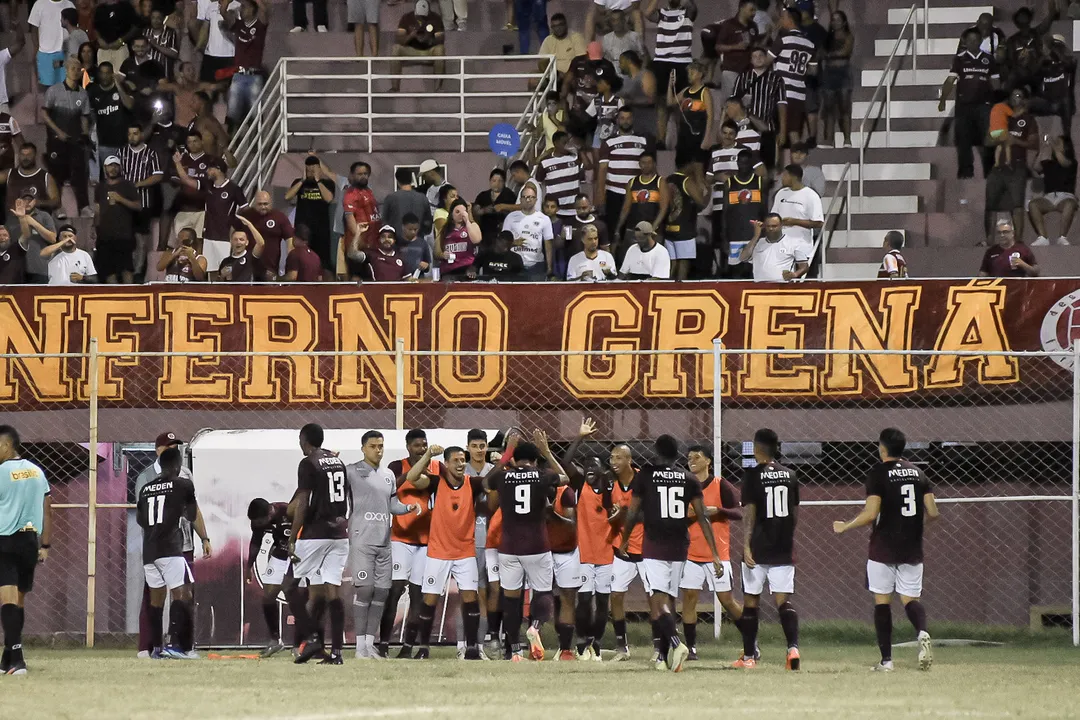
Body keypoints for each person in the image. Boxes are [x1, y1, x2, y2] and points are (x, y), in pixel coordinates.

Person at [833, 428, 939, 672]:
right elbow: (933, 512)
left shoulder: (878, 474)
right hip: (912, 546)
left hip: (883, 546)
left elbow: (870, 514)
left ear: (882, 448)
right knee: (910, 599)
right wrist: (914, 525)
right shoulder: (918, 472)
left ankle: (886, 661)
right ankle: (922, 632)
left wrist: (845, 526)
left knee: (882, 602)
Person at [618, 434, 722, 672]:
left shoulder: (645, 475)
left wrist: (624, 540)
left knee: (657, 600)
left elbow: (633, 513)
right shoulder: (689, 479)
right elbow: (702, 516)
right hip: (679, 545)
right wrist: (714, 553)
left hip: (654, 544)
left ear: (656, 452)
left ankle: (676, 644)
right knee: (670, 600)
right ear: (677, 455)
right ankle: (663, 658)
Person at [484, 439, 568, 660]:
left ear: (515, 457)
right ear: (534, 459)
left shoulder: (503, 476)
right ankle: (535, 627)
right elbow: (565, 478)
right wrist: (548, 453)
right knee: (543, 593)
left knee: (511, 599)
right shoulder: (541, 474)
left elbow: (486, 482)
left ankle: (514, 650)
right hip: (536, 545)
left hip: (508, 547)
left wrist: (505, 455)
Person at [402, 446, 485, 659]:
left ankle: (473, 647)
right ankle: (423, 648)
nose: (460, 464)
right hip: (438, 552)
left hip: (465, 552)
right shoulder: (436, 482)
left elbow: (491, 482)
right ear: (446, 464)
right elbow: (411, 477)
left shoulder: (472, 484)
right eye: (455, 460)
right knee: (429, 599)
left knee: (470, 598)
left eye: (462, 460)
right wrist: (429, 455)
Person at [345, 431, 420, 659]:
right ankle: (359, 648)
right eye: (373, 446)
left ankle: (369, 646)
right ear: (363, 448)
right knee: (365, 590)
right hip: (361, 538)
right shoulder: (350, 471)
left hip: (383, 541)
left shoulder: (388, 475)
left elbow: (392, 504)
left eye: (381, 446)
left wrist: (407, 508)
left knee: (381, 592)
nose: (378, 450)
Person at [136, 446, 209, 659]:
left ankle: (156, 648)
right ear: (178, 466)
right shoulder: (183, 484)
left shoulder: (146, 488)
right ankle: (178, 646)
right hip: (170, 548)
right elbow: (192, 513)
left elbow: (141, 520)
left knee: (156, 599)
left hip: (149, 550)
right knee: (183, 593)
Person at [737, 428, 801, 671]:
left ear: (755, 449)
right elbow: (795, 514)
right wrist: (786, 536)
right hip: (783, 545)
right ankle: (793, 648)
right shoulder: (791, 475)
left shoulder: (752, 476)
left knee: (751, 601)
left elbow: (749, 513)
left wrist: (746, 545)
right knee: (783, 600)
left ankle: (749, 657)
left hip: (759, 546)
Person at [289, 423, 351, 665]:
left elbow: (302, 502)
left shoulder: (308, 462)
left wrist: (293, 537)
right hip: (339, 534)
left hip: (316, 533)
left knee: (290, 586)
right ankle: (336, 653)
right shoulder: (338, 462)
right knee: (332, 591)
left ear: (304, 440)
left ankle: (314, 638)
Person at [379, 429, 443, 659]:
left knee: (418, 594)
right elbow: (389, 488)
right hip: (401, 538)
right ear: (408, 447)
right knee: (394, 591)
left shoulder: (437, 468)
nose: (422, 449)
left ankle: (408, 646)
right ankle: (384, 643)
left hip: (426, 541)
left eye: (424, 445)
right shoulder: (398, 466)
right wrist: (409, 473)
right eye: (417, 445)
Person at [679, 445, 743, 661]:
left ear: (708, 461)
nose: (692, 461)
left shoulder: (720, 484)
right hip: (691, 552)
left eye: (697, 457)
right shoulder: (685, 485)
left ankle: (751, 643)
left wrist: (719, 511)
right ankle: (691, 648)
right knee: (689, 599)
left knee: (727, 600)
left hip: (718, 553)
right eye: (689, 458)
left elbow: (738, 512)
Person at [0, 425, 52, 676]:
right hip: (30, 541)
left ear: (6, 446)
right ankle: (7, 658)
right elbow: (47, 508)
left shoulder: (0, 472)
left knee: (8, 601)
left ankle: (17, 659)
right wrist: (46, 545)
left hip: (5, 542)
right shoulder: (36, 471)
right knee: (19, 601)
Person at [246, 497, 304, 656]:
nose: (256, 525)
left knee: (294, 596)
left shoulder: (287, 511)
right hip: (280, 553)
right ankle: (275, 640)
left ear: (269, 514)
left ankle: (298, 644)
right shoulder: (259, 520)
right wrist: (249, 566)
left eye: (259, 522)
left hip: (298, 554)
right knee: (268, 595)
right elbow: (256, 541)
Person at [171, 155, 247, 276]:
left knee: (225, 271)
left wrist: (234, 223)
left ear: (218, 169)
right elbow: (186, 180)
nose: (207, 171)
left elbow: (245, 208)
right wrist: (177, 163)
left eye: (209, 169)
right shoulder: (207, 185)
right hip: (209, 235)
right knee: (210, 270)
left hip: (225, 237)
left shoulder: (234, 189)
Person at [940, 29, 1000, 180]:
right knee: (963, 140)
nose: (973, 43)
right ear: (965, 42)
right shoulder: (959, 59)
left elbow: (996, 82)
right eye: (970, 40)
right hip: (964, 106)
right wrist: (942, 100)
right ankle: (966, 172)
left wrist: (995, 102)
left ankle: (990, 171)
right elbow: (950, 81)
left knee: (988, 139)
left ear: (981, 41)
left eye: (976, 40)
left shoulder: (989, 59)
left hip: (984, 106)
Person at [985, 89, 1039, 241]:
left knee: (1017, 204)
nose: (1015, 98)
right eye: (1013, 95)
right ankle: (989, 239)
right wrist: (999, 138)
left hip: (1017, 166)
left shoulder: (1029, 120)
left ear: (1025, 100)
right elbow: (988, 141)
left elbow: (1035, 144)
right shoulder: (1002, 116)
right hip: (998, 167)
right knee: (990, 203)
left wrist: (1016, 141)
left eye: (1019, 95)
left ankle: (1019, 240)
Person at [44, 58, 93, 218]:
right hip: (56, 141)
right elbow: (44, 113)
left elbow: (84, 117)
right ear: (66, 70)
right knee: (57, 174)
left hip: (75, 140)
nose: (75, 71)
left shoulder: (83, 93)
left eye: (78, 68)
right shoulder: (53, 90)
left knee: (80, 174)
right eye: (72, 68)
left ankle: (84, 207)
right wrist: (58, 132)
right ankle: (58, 208)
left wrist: (85, 134)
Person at [647, 0, 696, 147]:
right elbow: (647, 13)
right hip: (661, 60)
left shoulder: (688, 12)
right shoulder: (662, 13)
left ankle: (682, 140)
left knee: (681, 103)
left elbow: (692, 5)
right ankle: (660, 140)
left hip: (683, 61)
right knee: (661, 102)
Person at [729, 47, 787, 170]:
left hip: (768, 127)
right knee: (743, 164)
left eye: (761, 55)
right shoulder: (743, 77)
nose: (758, 58)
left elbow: (781, 105)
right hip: (745, 128)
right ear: (751, 60)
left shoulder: (777, 79)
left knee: (768, 166)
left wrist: (782, 131)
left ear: (766, 58)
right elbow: (733, 103)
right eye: (755, 56)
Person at [119, 123, 164, 276]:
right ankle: (126, 269)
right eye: (130, 133)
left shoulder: (151, 153)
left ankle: (138, 270)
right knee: (125, 239)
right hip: (123, 204)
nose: (132, 136)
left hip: (143, 203)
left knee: (141, 239)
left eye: (135, 133)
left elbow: (158, 175)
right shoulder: (121, 152)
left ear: (141, 135)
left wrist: (138, 184)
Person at [595, 106, 646, 238]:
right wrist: (600, 197)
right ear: (617, 120)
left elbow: (650, 168)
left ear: (633, 119)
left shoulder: (643, 141)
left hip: (637, 193)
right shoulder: (608, 143)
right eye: (622, 118)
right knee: (614, 232)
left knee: (636, 232)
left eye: (628, 118)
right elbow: (602, 171)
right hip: (614, 194)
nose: (625, 121)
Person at [770, 6, 815, 153]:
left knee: (778, 130)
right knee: (794, 131)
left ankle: (778, 169)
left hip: (782, 92)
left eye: (783, 17)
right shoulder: (810, 44)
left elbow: (765, 62)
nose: (781, 20)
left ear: (789, 20)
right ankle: (797, 165)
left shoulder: (783, 39)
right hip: (799, 92)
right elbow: (813, 70)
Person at [284, 155, 336, 277]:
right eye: (308, 169)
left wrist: (318, 181)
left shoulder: (327, 183)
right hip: (302, 228)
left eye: (314, 169)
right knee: (299, 257)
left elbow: (328, 198)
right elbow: (287, 196)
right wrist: (302, 180)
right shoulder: (299, 183)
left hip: (321, 228)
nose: (311, 171)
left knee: (323, 261)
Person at [224, 0, 269, 134]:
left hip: (254, 76)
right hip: (238, 75)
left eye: (245, 7)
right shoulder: (238, 25)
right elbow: (223, 12)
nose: (242, 10)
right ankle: (230, 144)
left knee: (255, 113)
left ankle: (256, 145)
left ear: (253, 10)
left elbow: (264, 10)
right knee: (232, 113)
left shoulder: (260, 25)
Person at [720, 150, 767, 278]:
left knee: (753, 272)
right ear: (737, 163)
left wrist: (764, 234)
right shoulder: (729, 183)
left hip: (753, 235)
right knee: (736, 273)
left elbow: (764, 211)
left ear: (752, 164)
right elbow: (725, 213)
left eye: (746, 163)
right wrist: (724, 237)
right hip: (734, 235)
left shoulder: (759, 182)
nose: (743, 166)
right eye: (741, 163)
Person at [94, 155, 141, 283]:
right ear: (105, 168)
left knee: (126, 268)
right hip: (104, 235)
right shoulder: (100, 187)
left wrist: (121, 199)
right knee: (109, 270)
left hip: (124, 235)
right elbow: (97, 209)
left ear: (120, 167)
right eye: (110, 165)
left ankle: (130, 298)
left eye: (115, 165)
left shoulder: (127, 185)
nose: (113, 168)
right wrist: (95, 228)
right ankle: (113, 298)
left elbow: (138, 206)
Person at [87, 62, 135, 179]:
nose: (105, 76)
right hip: (105, 143)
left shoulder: (124, 87)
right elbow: (91, 115)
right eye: (102, 73)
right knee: (108, 178)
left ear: (112, 74)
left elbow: (130, 105)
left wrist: (118, 85)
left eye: (108, 73)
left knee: (126, 177)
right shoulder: (93, 91)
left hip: (124, 143)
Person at [706, 0, 759, 105]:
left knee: (746, 104)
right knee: (729, 104)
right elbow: (718, 46)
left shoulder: (753, 26)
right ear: (742, 8)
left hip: (748, 72)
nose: (753, 13)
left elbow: (755, 45)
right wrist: (736, 47)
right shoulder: (728, 25)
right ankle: (725, 122)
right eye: (751, 10)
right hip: (731, 70)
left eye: (755, 10)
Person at [390, 0, 446, 93]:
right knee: (396, 48)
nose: (421, 18)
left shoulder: (435, 18)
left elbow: (440, 39)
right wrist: (411, 36)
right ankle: (394, 88)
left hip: (429, 50)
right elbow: (399, 39)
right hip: (411, 51)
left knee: (440, 49)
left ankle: (438, 88)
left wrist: (428, 39)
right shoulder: (406, 18)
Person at [1030, 135, 1076, 246]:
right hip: (1049, 197)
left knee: (1070, 204)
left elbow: (1063, 162)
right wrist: (1042, 149)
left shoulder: (1071, 162)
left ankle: (1062, 237)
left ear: (1066, 147)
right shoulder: (1048, 162)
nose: (1055, 144)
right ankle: (1043, 237)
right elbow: (1036, 168)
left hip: (1066, 196)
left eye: (1059, 143)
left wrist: (1053, 146)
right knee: (1032, 204)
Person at [663, 163, 707, 280]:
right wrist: (708, 190)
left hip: (669, 226)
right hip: (684, 228)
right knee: (683, 261)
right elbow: (702, 203)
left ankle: (666, 289)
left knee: (672, 263)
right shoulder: (686, 181)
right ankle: (680, 291)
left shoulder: (668, 179)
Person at [772, 163, 823, 263]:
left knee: (801, 277)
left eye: (785, 176)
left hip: (802, 248)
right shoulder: (781, 193)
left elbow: (819, 223)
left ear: (793, 177)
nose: (782, 179)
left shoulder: (811, 195)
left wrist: (794, 222)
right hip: (781, 248)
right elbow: (774, 216)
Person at [616, 150, 663, 257]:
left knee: (652, 259)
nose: (646, 165)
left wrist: (654, 227)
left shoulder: (660, 181)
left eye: (649, 162)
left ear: (654, 164)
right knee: (631, 259)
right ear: (639, 164)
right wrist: (618, 228)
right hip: (633, 229)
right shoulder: (632, 182)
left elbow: (663, 208)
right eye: (643, 163)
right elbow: (626, 208)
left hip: (653, 231)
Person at [239, 191, 295, 281]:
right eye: (259, 204)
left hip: (270, 267)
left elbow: (290, 242)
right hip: (247, 266)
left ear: (271, 202)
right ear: (254, 203)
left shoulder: (280, 217)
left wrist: (291, 266)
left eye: (265, 204)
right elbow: (233, 234)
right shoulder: (246, 216)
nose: (263, 207)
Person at [502, 186, 554, 280]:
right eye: (525, 197)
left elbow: (548, 245)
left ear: (536, 200)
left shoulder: (544, 219)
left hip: (536, 266)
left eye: (531, 197)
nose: (528, 200)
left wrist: (549, 267)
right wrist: (513, 242)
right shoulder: (511, 217)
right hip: (514, 265)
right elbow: (502, 241)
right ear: (521, 199)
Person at [670, 61, 713, 173]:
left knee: (697, 170)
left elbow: (710, 115)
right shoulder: (685, 91)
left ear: (699, 74)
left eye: (692, 72)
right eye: (688, 73)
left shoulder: (704, 92)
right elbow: (670, 102)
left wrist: (707, 138)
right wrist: (670, 85)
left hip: (698, 135)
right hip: (684, 136)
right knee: (681, 168)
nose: (689, 75)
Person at [740, 214, 808, 282]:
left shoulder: (793, 243)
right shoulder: (758, 243)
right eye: (768, 226)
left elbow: (804, 266)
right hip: (760, 287)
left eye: (774, 226)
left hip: (782, 287)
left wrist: (794, 274)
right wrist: (756, 235)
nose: (771, 229)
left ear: (781, 225)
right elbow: (743, 258)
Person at [820, 10, 853, 148]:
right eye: (833, 19)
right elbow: (820, 53)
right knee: (828, 108)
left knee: (844, 107)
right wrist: (828, 55)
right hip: (829, 73)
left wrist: (829, 54)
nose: (835, 22)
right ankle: (828, 139)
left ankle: (847, 139)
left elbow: (845, 51)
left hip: (843, 74)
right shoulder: (827, 37)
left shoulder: (848, 36)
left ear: (844, 22)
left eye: (838, 19)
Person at [6, 193, 56, 284]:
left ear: (35, 201)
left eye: (30, 200)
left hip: (38, 267)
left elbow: (53, 239)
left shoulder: (44, 216)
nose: (27, 202)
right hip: (16, 268)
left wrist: (34, 223)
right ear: (19, 201)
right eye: (25, 200)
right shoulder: (11, 218)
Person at [341, 161, 381, 272]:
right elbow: (350, 219)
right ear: (352, 175)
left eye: (365, 174)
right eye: (359, 174)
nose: (363, 176)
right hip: (359, 245)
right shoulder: (350, 195)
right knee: (358, 278)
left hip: (373, 244)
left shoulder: (368, 191)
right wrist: (359, 241)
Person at [30, 0, 75, 90]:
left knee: (67, 86)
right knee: (48, 89)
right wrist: (36, 47)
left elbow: (74, 28)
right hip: (45, 53)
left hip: (65, 53)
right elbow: (34, 29)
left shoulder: (69, 4)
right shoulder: (39, 4)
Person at [195, 0, 239, 88]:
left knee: (227, 87)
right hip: (210, 54)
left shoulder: (237, 6)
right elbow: (205, 27)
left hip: (229, 56)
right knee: (205, 87)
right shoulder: (211, 6)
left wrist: (224, 9)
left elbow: (234, 26)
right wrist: (198, 46)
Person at [382, 167, 432, 243]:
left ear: (397, 181)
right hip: (418, 243)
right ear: (411, 180)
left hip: (397, 245)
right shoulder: (422, 198)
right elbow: (428, 224)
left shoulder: (390, 198)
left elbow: (384, 223)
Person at [437, 199, 482, 279]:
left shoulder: (473, 225)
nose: (461, 215)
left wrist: (467, 221)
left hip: (467, 268)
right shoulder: (444, 230)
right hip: (448, 270)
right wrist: (442, 255)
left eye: (464, 212)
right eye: (457, 212)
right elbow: (436, 252)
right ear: (451, 214)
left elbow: (476, 240)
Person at [617, 51, 657, 139]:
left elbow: (651, 99)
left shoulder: (645, 75)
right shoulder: (624, 79)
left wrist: (629, 101)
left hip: (646, 124)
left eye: (621, 62)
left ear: (629, 61)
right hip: (629, 126)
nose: (619, 66)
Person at [472, 169, 517, 246]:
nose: (497, 183)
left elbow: (516, 211)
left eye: (500, 181)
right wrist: (483, 211)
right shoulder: (483, 195)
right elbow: (475, 212)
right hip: (485, 234)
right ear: (490, 181)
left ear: (504, 182)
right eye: (494, 180)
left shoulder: (510, 195)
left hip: (503, 234)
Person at [217, 215, 265, 282]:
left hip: (248, 291)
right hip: (231, 291)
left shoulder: (251, 257)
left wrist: (249, 224)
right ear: (231, 242)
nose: (238, 242)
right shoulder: (226, 261)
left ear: (247, 242)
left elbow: (261, 244)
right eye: (235, 239)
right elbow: (220, 285)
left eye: (241, 239)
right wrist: (222, 276)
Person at [538, 13, 587, 77]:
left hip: (572, 75)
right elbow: (542, 62)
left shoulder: (576, 37)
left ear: (566, 25)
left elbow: (581, 59)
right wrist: (555, 73)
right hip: (553, 74)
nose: (558, 28)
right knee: (533, 80)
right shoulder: (548, 40)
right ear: (551, 28)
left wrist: (568, 74)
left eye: (560, 25)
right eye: (554, 26)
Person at [601, 10, 645, 76]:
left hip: (630, 74)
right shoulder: (606, 38)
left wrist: (640, 74)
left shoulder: (634, 36)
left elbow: (643, 56)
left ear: (624, 20)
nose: (616, 23)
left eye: (619, 20)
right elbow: (603, 58)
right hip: (613, 75)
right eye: (613, 20)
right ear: (611, 22)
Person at [143, 7, 179, 81]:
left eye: (158, 18)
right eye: (153, 18)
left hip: (165, 75)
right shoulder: (145, 32)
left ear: (163, 19)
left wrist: (155, 45)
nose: (155, 20)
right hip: (147, 75)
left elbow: (174, 54)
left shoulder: (170, 32)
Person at [397, 214, 434, 278]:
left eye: (415, 229)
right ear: (403, 227)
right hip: (401, 278)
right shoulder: (397, 242)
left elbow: (428, 264)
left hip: (418, 277)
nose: (413, 232)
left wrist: (425, 265)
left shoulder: (423, 243)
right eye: (410, 229)